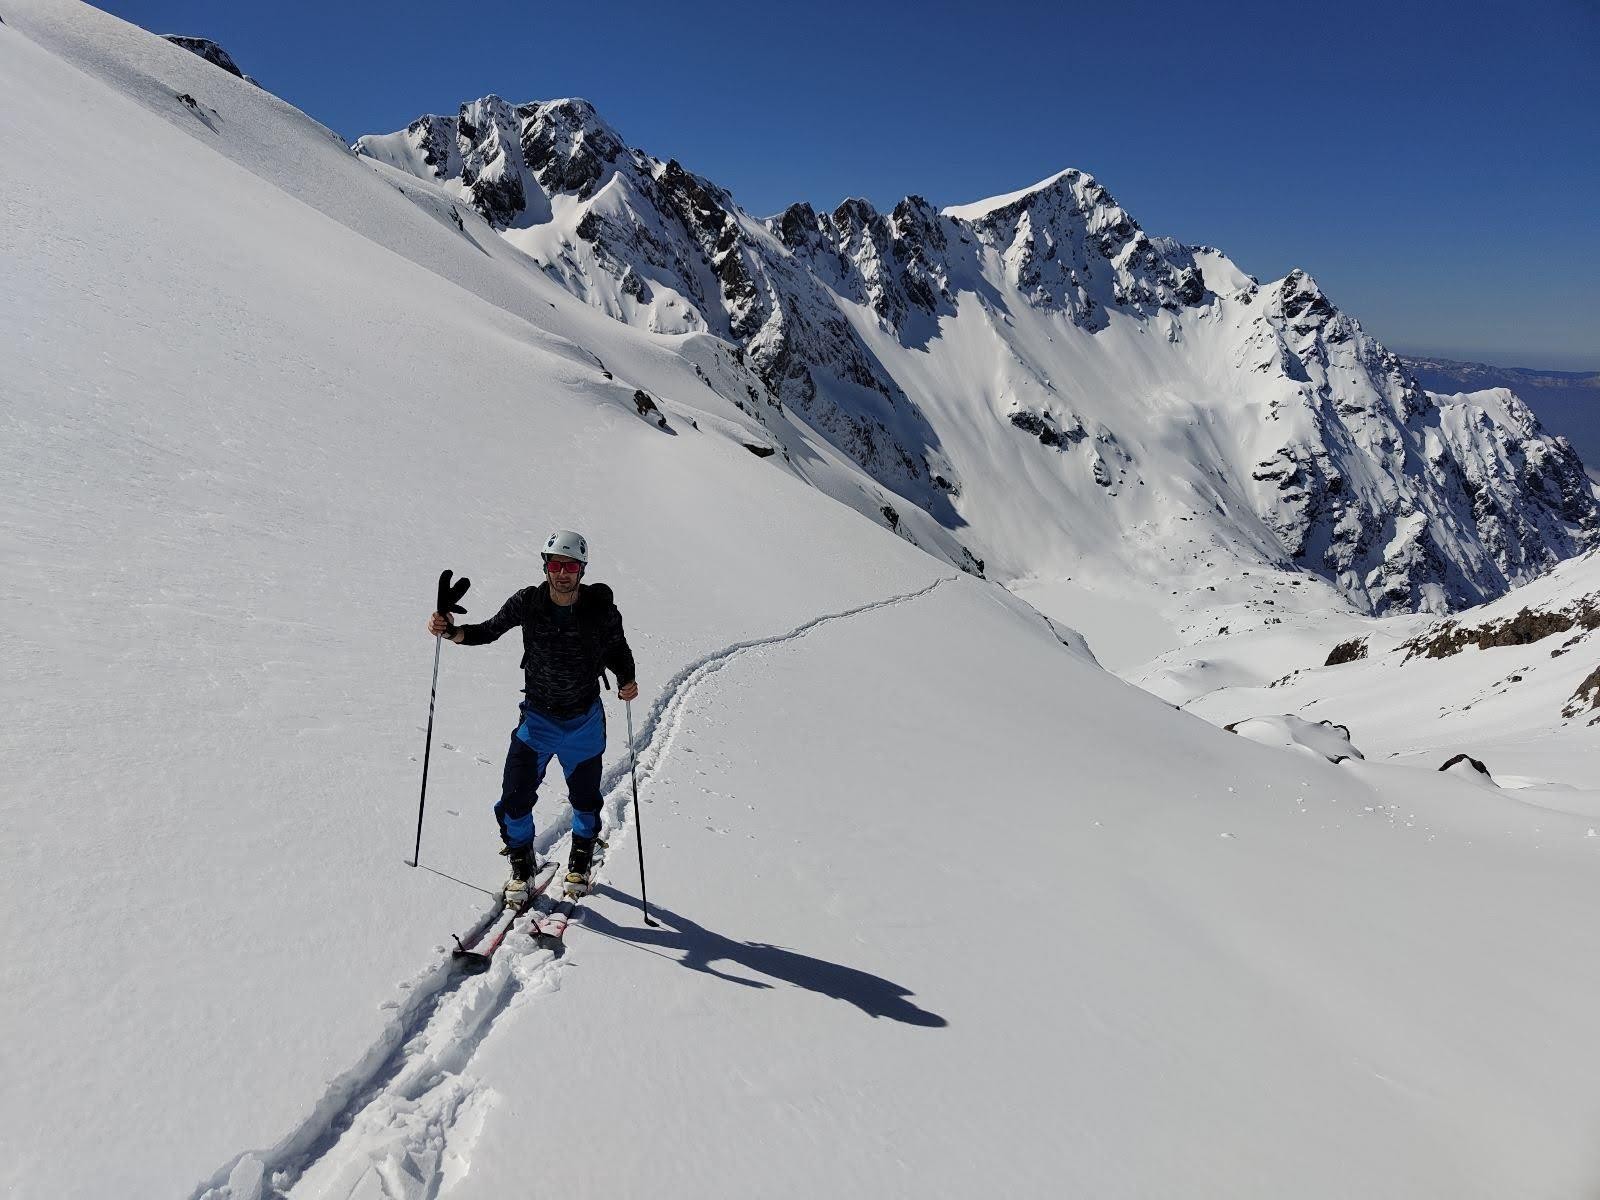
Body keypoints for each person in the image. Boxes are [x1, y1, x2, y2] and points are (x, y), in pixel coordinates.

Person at [427, 529, 638, 902]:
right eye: (555, 564)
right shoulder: (528, 602)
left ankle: (580, 860)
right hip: (537, 721)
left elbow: (618, 649)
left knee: (586, 802)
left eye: (570, 565)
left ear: (582, 569)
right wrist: (451, 631)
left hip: (583, 724)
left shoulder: (600, 609)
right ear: (545, 565)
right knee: (513, 801)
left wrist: (627, 680)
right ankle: (522, 866)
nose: (562, 572)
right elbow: (487, 632)